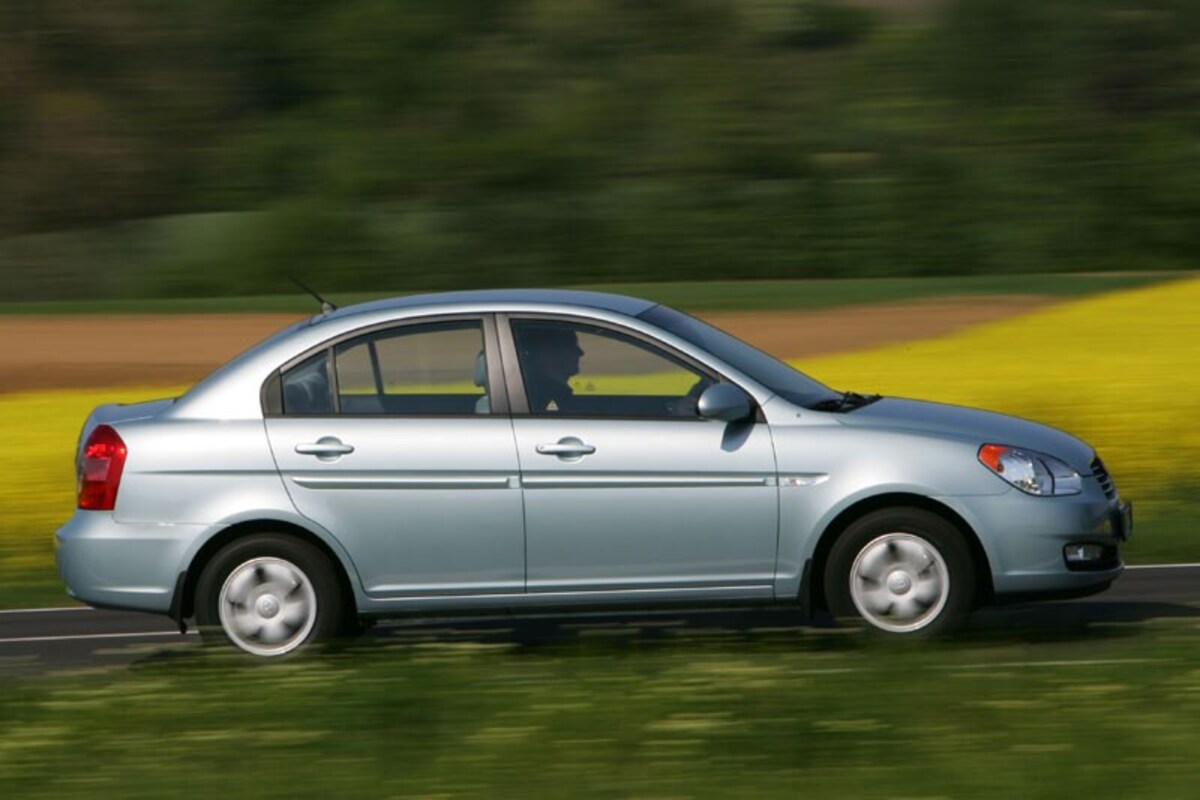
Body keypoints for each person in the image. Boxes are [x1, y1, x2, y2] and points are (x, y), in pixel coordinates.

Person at [518, 325, 584, 413]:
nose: (580, 353)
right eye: (571, 345)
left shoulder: (534, 393)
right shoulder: (540, 400)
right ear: (547, 352)